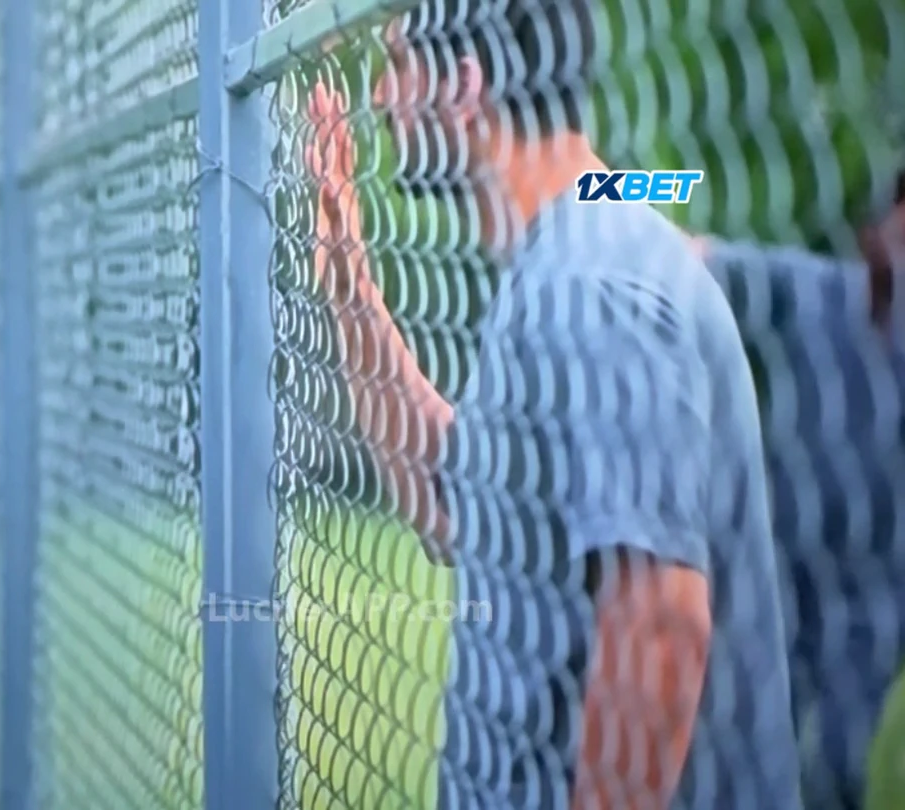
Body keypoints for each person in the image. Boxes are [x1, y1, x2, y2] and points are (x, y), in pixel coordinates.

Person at [306, 0, 801, 805]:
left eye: (397, 62)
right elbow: (458, 509)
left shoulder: (594, 283)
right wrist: (346, 278)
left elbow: (660, 623)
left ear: (464, 85)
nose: (382, 97)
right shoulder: (560, 262)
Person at [690, 172, 905, 809]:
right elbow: (681, 251)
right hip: (757, 660)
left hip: (862, 701)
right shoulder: (818, 298)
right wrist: (610, 183)